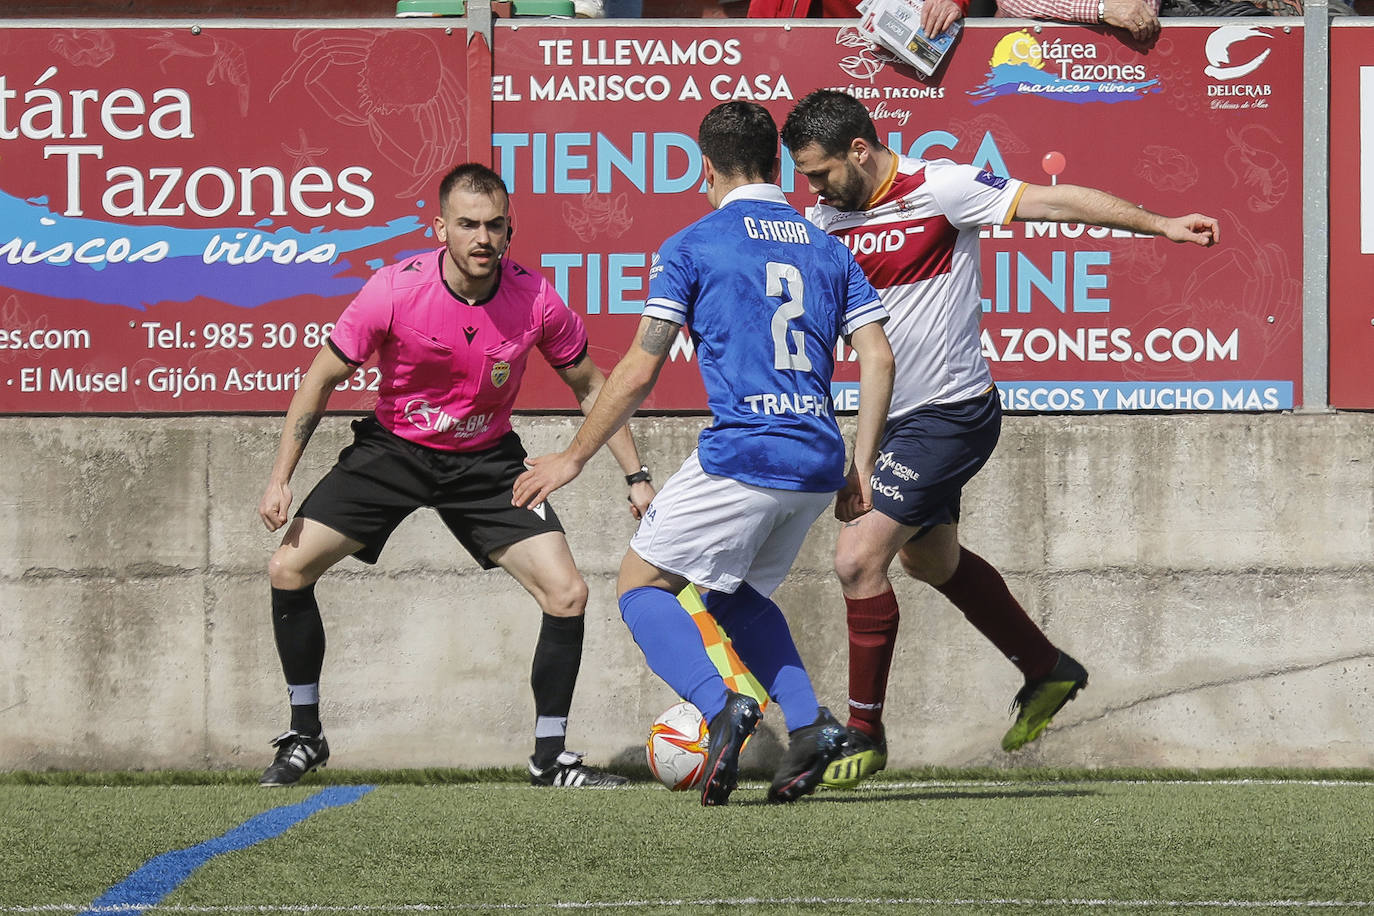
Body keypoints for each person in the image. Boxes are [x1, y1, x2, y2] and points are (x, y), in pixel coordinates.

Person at [780, 89, 1220, 787]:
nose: (813, 187)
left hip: (953, 414)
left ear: (860, 150)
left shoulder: (943, 187)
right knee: (929, 563)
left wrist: (1158, 223)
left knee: (857, 558)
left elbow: (1058, 201)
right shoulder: (827, 218)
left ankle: (863, 733)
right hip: (893, 423)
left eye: (820, 171)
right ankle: (1046, 667)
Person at [512, 101, 895, 807]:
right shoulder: (829, 246)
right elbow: (877, 356)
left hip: (745, 453)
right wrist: (859, 464)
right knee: (731, 594)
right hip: (816, 460)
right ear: (778, 166)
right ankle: (809, 728)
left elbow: (637, 368)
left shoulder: (693, 243)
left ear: (707, 169)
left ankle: (722, 710)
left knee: (640, 585)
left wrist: (572, 456)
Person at [256, 162, 655, 789]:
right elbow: (320, 379)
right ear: (439, 226)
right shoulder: (393, 289)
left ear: (509, 230)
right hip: (393, 452)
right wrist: (281, 477)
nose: (482, 238)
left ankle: (550, 760)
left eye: (495, 226)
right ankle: (306, 735)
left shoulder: (535, 298)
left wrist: (637, 476)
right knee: (287, 568)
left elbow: (592, 387)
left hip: (487, 462)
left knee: (568, 593)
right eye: (467, 224)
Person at [994, 0, 1160, 42]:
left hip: (1121, 65)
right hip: (1037, 57)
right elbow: (1011, 3)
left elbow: (1144, 11)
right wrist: (1100, 9)